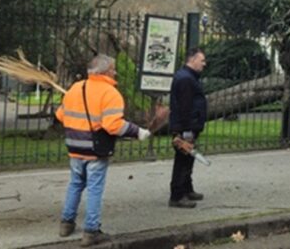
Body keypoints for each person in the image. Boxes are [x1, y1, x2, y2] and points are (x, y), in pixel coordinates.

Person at [55, 54, 151, 247]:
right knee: (94, 189)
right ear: (105, 71)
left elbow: (60, 115)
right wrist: (137, 132)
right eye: (113, 69)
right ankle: (91, 231)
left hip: (74, 146)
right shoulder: (110, 93)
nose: (115, 72)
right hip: (95, 149)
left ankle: (66, 224)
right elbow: (113, 125)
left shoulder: (76, 88)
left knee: (75, 184)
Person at [168, 47, 208, 208]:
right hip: (186, 126)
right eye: (202, 60)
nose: (204, 64)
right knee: (183, 160)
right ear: (192, 60)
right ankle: (177, 195)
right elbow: (185, 107)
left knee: (188, 158)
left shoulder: (189, 77)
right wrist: (187, 130)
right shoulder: (186, 79)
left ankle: (186, 188)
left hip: (188, 125)